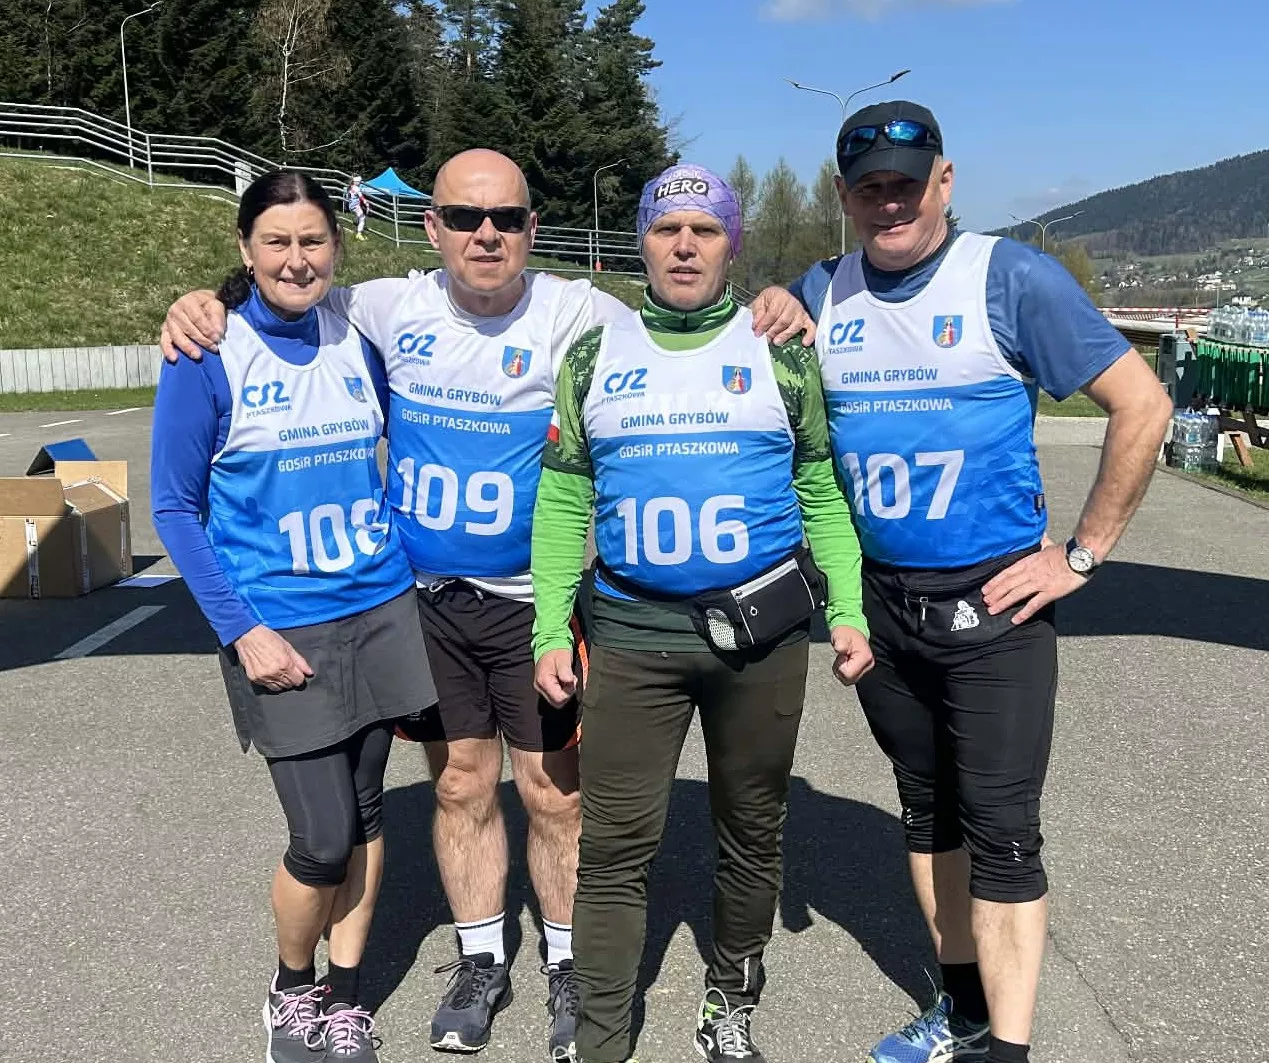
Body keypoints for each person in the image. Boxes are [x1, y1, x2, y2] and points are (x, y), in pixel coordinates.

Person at [160, 149, 815, 1062]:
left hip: (532, 603)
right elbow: (283, 285)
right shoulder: (381, 307)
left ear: (530, 229)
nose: (485, 234)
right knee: (461, 784)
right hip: (426, 602)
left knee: (553, 791)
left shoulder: (581, 312)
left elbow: (688, 316)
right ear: (430, 226)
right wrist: (201, 301)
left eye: (506, 218)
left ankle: (566, 965)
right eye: (465, 217)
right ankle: (479, 961)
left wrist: (778, 302)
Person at [790, 101, 1173, 1063]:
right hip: (884, 609)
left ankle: (1008, 1050)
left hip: (994, 607)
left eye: (906, 185)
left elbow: (1142, 404)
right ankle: (960, 1012)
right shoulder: (821, 292)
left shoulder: (1008, 277)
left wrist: (1079, 555)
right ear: (843, 196)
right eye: (870, 188)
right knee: (927, 811)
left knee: (1002, 835)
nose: (889, 204)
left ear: (944, 182)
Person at [531, 163, 874, 1063]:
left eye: (705, 230)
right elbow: (563, 502)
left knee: (751, 832)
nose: (684, 246)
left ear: (731, 243)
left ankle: (730, 998)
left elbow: (820, 490)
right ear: (641, 242)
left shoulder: (780, 351)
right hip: (632, 631)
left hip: (758, 635)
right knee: (613, 847)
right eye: (666, 229)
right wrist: (547, 631)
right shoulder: (593, 355)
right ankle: (602, 1036)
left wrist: (847, 609)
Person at [150, 169, 438, 1063]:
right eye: (276, 241)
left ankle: (345, 999)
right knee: (320, 837)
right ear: (246, 249)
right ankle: (290, 988)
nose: (296, 258)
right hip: (280, 625)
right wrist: (242, 630)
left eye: (312, 240)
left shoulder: (358, 336)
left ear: (336, 246)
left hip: (380, 605)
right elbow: (173, 508)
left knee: (368, 814)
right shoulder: (207, 352)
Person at [345, 175, 369, 241]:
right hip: (356, 206)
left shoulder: (350, 187)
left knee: (359, 218)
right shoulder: (357, 188)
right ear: (356, 181)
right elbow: (361, 196)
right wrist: (366, 203)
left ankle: (359, 232)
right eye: (360, 182)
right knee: (362, 218)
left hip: (351, 206)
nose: (360, 183)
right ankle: (359, 234)